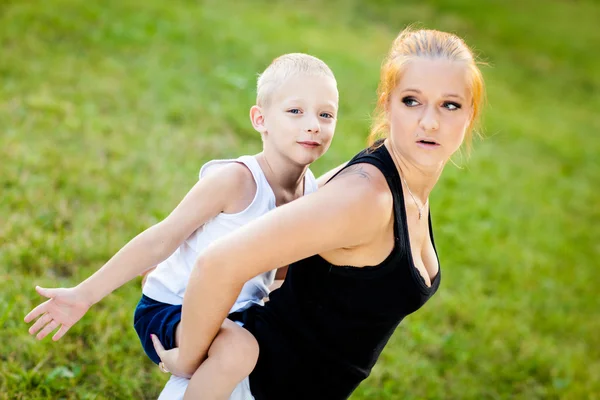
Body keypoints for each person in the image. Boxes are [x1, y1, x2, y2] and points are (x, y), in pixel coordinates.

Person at [154, 27, 486, 400]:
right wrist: (188, 360)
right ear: (387, 103)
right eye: (412, 101)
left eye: (450, 105)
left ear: (470, 113)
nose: (430, 121)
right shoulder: (366, 197)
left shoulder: (404, 186)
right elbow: (218, 264)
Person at [24, 53, 340, 400]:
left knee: (269, 351)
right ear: (260, 119)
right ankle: (188, 367)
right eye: (295, 111)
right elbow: (161, 239)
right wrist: (83, 294)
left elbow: (280, 275)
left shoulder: (309, 196)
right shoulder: (237, 181)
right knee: (239, 350)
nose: (313, 124)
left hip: (236, 314)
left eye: (325, 114)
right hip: (171, 307)